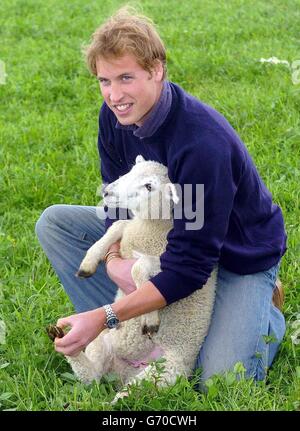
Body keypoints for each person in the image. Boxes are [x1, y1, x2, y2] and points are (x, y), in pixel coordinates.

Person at [35, 6, 287, 383]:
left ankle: (262, 313)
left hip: (230, 255)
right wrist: (116, 257)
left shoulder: (201, 144)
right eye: (104, 81)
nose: (114, 95)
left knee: (219, 379)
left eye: (125, 77)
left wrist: (104, 315)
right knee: (55, 223)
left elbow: (191, 264)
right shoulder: (115, 117)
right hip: (155, 236)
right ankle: (125, 327)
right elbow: (115, 200)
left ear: (157, 70)